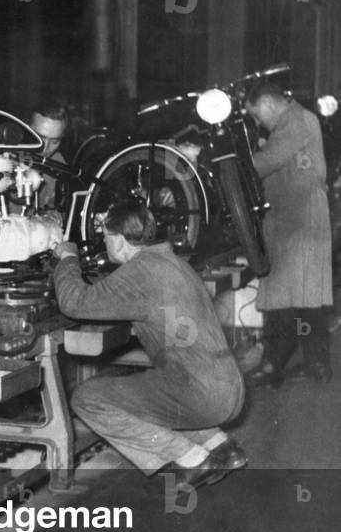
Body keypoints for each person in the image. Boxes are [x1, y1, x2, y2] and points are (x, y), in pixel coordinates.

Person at [52, 201, 247, 490]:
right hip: (229, 389)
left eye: (106, 237)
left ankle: (190, 458)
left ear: (118, 240)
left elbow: (74, 302)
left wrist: (67, 260)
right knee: (162, 391)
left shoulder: (141, 272)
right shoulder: (172, 262)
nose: (105, 244)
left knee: (86, 398)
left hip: (202, 394)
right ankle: (221, 447)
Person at [243, 83, 334, 387]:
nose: (258, 122)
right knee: (305, 297)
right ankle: (316, 364)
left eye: (256, 115)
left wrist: (233, 163)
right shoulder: (298, 119)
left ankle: (273, 365)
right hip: (297, 220)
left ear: (267, 103)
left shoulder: (295, 121)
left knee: (286, 296)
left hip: (300, 221)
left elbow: (264, 163)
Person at [29, 100, 69, 209]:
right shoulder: (5, 159)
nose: (45, 148)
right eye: (39, 138)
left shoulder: (59, 163)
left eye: (54, 142)